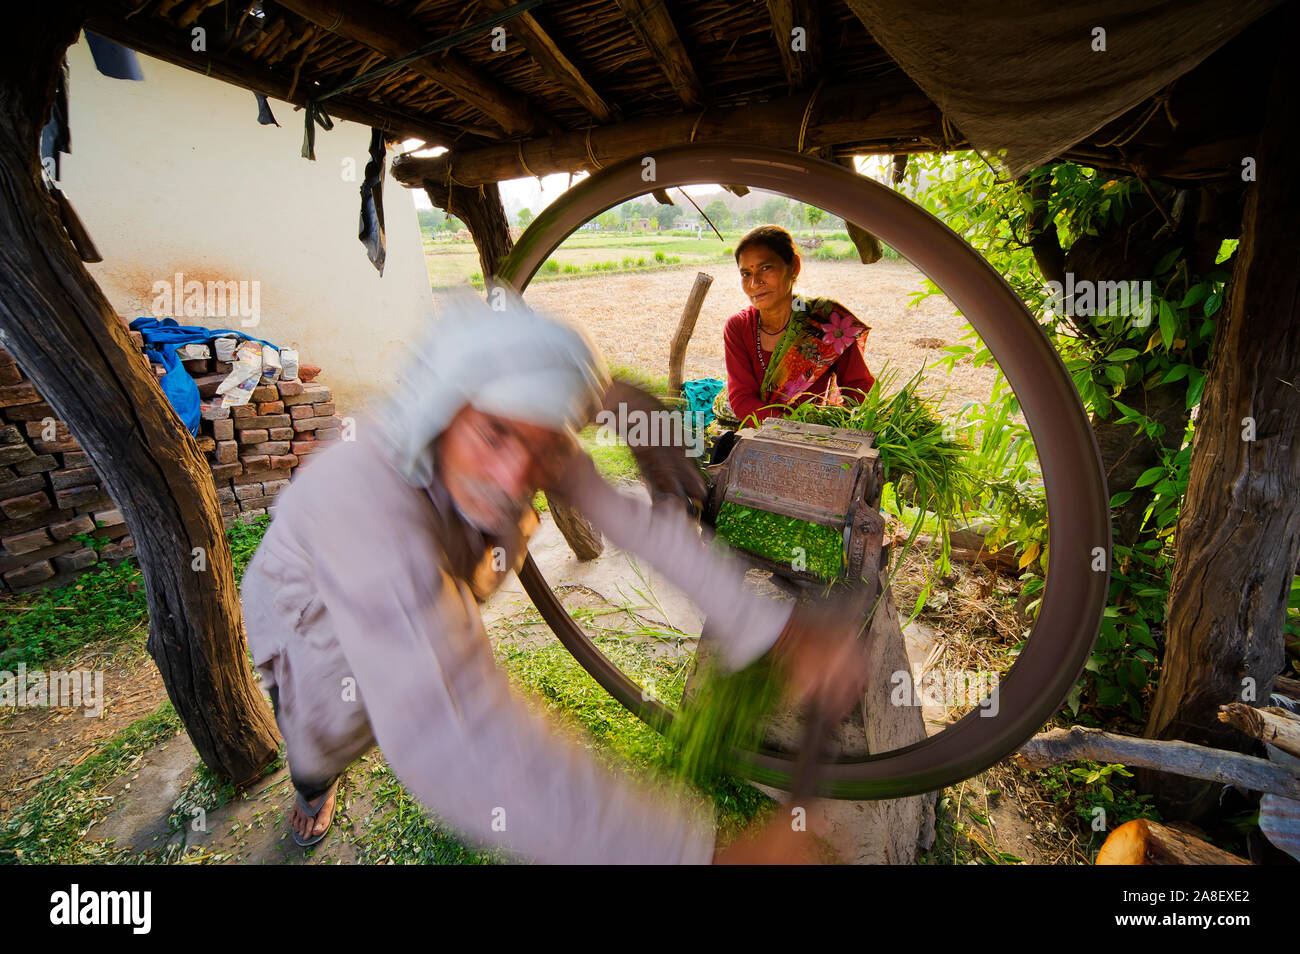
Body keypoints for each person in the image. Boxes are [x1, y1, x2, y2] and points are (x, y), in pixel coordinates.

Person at [239, 289, 868, 863]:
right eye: (494, 436)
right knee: (326, 729)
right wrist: (694, 855)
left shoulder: (522, 426)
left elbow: (635, 525)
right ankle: (312, 787)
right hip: (313, 625)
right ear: (443, 408)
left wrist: (776, 630)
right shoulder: (360, 501)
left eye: (539, 448)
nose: (518, 476)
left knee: (416, 660)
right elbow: (457, 738)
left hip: (427, 590)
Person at [722, 225, 876, 432]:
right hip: (760, 433)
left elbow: (859, 388)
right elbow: (741, 399)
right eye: (746, 273)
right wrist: (791, 431)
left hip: (815, 437)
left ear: (794, 266)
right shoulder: (739, 327)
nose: (754, 283)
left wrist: (834, 432)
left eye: (766, 268)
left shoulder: (827, 321)